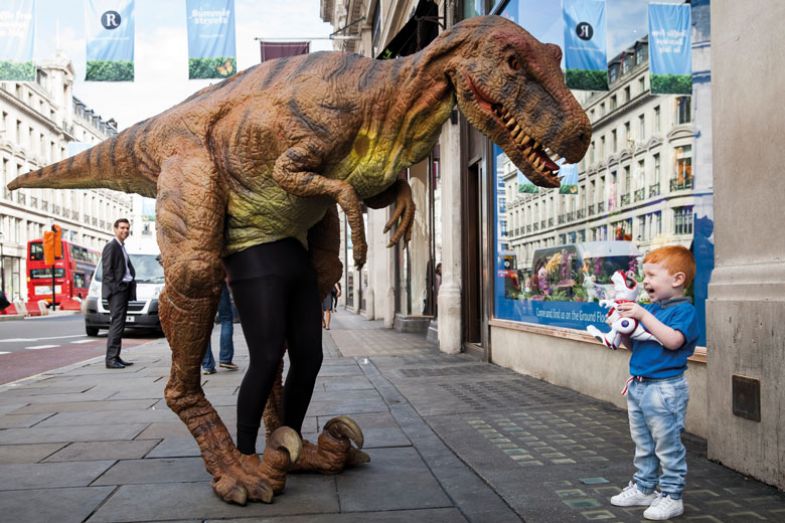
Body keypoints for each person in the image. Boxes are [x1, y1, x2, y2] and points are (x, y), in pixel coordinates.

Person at [609, 245, 699, 521]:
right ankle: (645, 487)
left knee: (667, 445)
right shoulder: (651, 309)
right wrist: (621, 328)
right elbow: (633, 345)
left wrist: (642, 316)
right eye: (644, 275)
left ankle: (672, 495)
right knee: (643, 443)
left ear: (677, 279)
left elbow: (672, 341)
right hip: (638, 385)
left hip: (665, 389)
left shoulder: (685, 312)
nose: (645, 281)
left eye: (651, 275)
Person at [101, 218, 136, 369]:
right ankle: (111, 359)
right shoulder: (112, 246)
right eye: (122, 228)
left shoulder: (121, 246)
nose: (125, 231)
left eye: (127, 228)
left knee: (120, 324)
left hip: (124, 290)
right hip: (117, 292)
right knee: (116, 324)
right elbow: (107, 271)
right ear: (115, 229)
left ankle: (116, 356)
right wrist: (117, 289)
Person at [202, 281, 239, 375]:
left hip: (200, 283)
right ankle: (225, 359)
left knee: (203, 323)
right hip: (218, 280)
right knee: (226, 319)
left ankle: (207, 365)